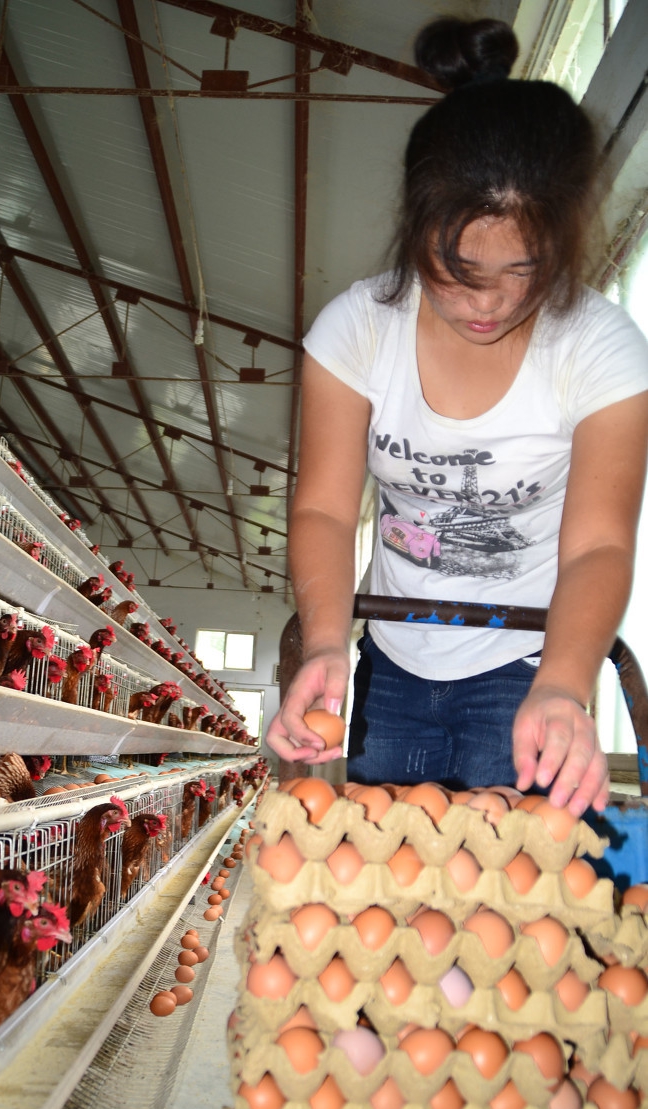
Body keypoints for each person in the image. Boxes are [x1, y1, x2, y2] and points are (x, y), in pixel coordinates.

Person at [266, 16, 648, 818]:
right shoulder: (358, 329)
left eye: (525, 271)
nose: (491, 303)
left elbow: (601, 543)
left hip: (530, 660)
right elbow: (328, 508)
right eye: (459, 272)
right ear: (416, 234)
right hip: (392, 660)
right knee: (391, 879)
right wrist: (329, 640)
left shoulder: (600, 348)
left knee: (513, 905)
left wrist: (565, 686)